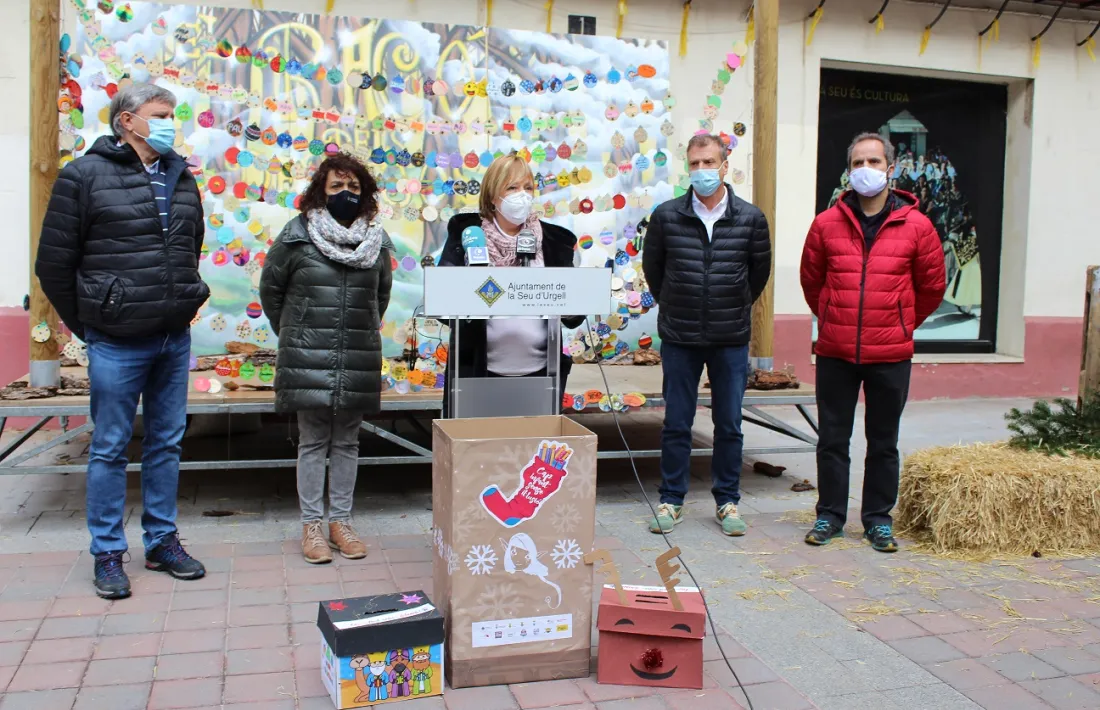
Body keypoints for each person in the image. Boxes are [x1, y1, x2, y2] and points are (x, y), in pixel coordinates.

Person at [35, 83, 209, 599]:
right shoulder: (83, 175)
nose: (170, 123)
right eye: (160, 114)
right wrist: (93, 323)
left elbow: (190, 245)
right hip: (116, 340)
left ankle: (161, 542)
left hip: (172, 337)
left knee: (166, 443)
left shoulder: (180, 175)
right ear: (127, 121)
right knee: (110, 447)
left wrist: (185, 300)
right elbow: (54, 265)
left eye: (172, 114)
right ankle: (108, 552)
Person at [799, 131, 946, 553]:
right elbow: (812, 281)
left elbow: (932, 286)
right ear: (848, 171)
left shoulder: (917, 226)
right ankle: (829, 515)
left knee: (883, 442)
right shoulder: (826, 224)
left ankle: (878, 520)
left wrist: (901, 323)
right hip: (836, 351)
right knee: (832, 439)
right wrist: (832, 316)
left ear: (891, 169)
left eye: (874, 162)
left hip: (890, 353)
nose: (866, 169)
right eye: (858, 163)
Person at [260, 153, 393, 564]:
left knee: (348, 441)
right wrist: (297, 333)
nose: (345, 193)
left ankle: (342, 523)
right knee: (314, 440)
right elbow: (271, 291)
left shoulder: (376, 241)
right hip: (307, 354)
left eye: (354, 187)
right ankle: (312, 527)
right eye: (337, 186)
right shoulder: (296, 236)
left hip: (357, 352)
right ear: (320, 191)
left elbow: (380, 296)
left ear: (365, 194)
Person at [641, 133, 772, 537]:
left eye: (709, 163)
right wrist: (677, 303)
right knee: (676, 423)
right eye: (695, 164)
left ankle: (727, 501)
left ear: (725, 166)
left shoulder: (751, 218)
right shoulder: (666, 216)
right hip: (679, 336)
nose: (701, 171)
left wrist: (730, 305)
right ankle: (671, 499)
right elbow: (654, 271)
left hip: (729, 337)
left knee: (729, 423)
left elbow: (758, 275)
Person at [436, 153, 583, 413]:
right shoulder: (467, 235)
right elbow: (443, 301)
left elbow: (573, 314)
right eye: (512, 187)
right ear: (493, 196)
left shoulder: (554, 241)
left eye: (528, 187)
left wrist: (572, 304)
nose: (522, 195)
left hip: (541, 375)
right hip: (477, 374)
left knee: (533, 440)